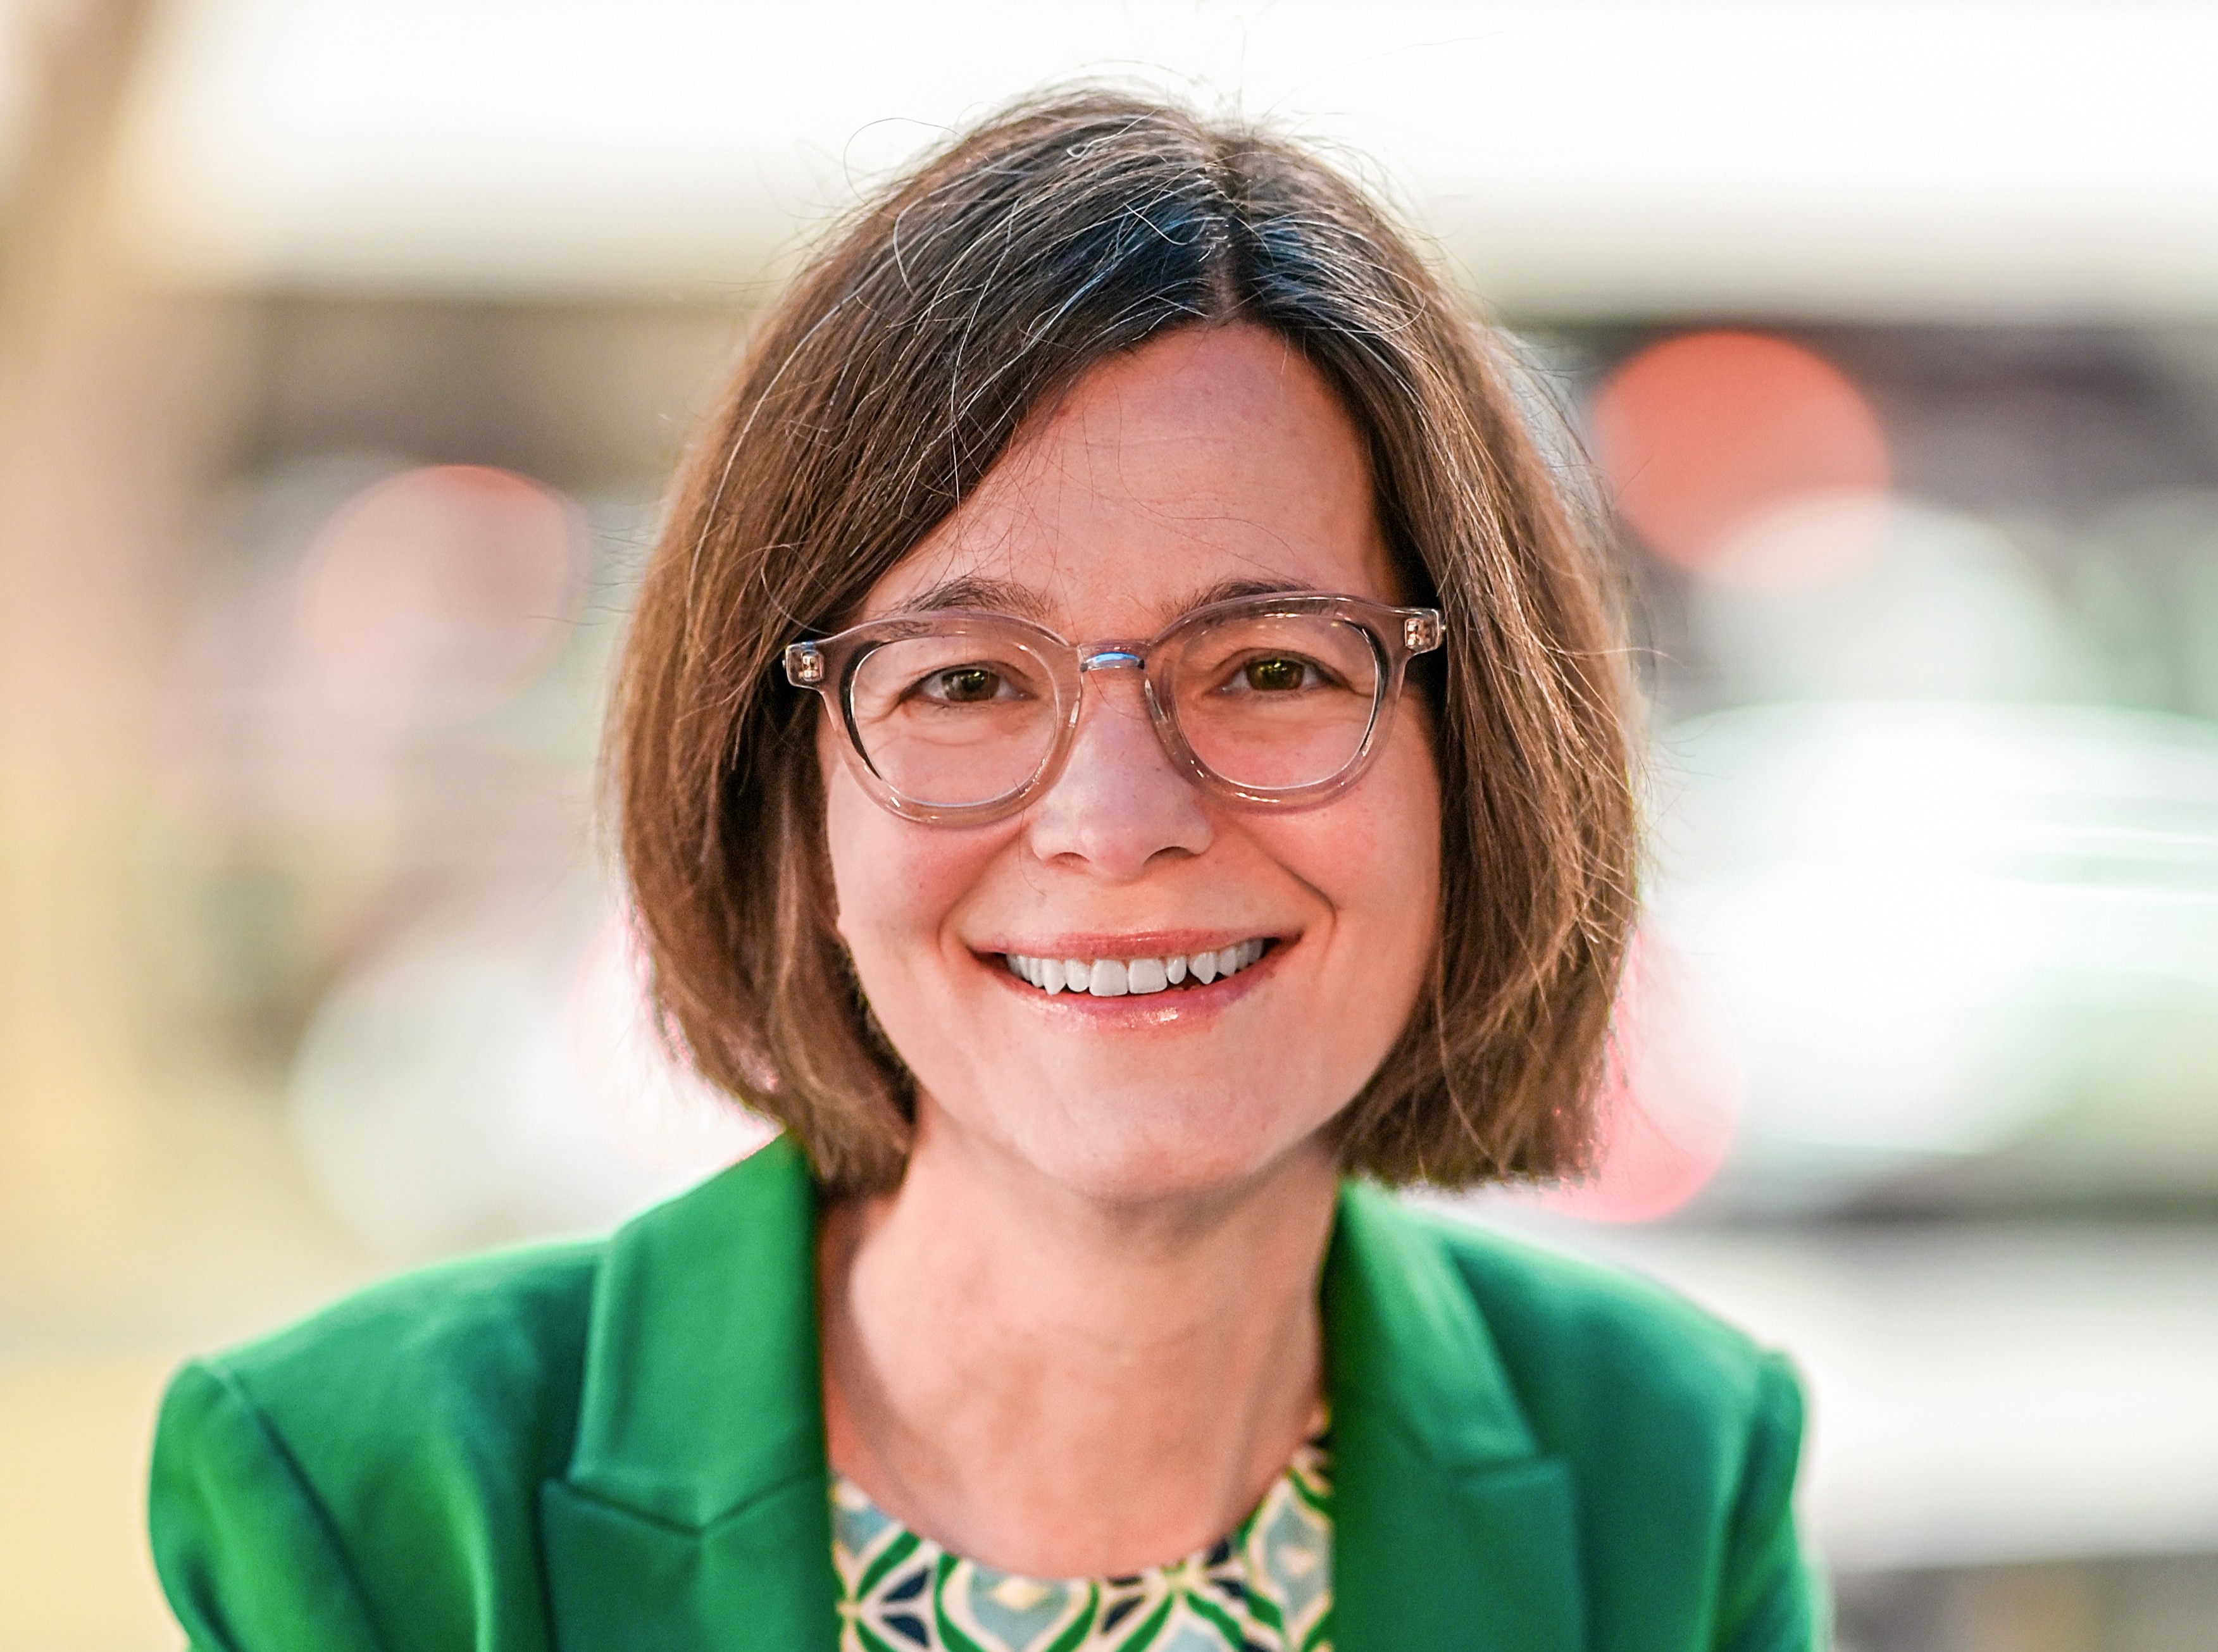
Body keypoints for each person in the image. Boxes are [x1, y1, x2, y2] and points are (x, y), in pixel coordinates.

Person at [148, 91, 1821, 1651]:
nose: (1114, 816)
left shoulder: (1670, 1481)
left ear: (1478, 755)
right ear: (782, 791)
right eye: (962, 681)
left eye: (1271, 667)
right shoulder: (371, 1497)